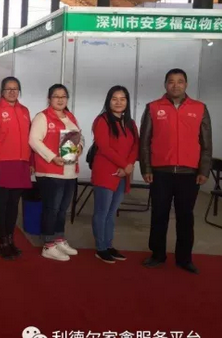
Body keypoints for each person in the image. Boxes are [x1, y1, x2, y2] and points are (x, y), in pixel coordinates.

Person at [140, 69, 212, 274]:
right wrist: (146, 168)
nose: (175, 85)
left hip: (189, 174)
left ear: (186, 85)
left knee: (185, 217)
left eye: (180, 81)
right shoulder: (153, 107)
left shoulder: (200, 108)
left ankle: (184, 259)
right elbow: (144, 141)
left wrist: (204, 170)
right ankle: (157, 255)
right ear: (165, 84)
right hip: (160, 172)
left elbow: (206, 143)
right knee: (159, 215)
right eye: (171, 81)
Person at [29, 84, 83, 262]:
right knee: (51, 209)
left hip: (69, 171)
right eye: (56, 96)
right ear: (49, 99)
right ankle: (48, 245)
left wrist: (80, 147)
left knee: (62, 209)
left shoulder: (70, 117)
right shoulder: (42, 117)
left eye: (63, 96)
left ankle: (59, 238)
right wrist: (52, 157)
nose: (60, 99)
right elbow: (34, 140)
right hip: (50, 172)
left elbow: (79, 137)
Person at [90, 86, 139, 264]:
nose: (118, 102)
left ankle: (109, 245)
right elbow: (104, 147)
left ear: (127, 102)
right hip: (106, 171)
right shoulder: (102, 120)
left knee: (112, 212)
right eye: (114, 99)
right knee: (102, 212)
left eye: (122, 99)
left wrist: (129, 166)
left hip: (123, 173)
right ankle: (101, 248)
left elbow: (136, 146)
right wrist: (125, 165)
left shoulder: (130, 123)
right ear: (108, 101)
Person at [0, 77, 33, 260]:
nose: (12, 92)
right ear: (2, 91)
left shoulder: (24, 110)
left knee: (14, 204)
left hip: (21, 164)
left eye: (15, 89)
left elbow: (29, 138)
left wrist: (31, 162)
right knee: (1, 203)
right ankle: (2, 241)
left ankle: (11, 238)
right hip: (2, 164)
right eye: (8, 89)